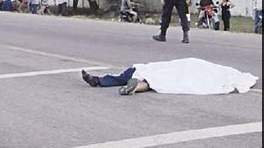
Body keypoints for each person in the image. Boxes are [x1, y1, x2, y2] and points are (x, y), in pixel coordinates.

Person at [81, 58, 258, 95]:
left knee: (143, 71)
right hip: (182, 70)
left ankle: (99, 80)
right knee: (153, 80)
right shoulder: (218, 71)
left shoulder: (201, 66)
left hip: (177, 68)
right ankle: (135, 86)